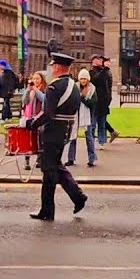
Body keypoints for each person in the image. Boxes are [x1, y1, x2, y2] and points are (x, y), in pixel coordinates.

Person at [23, 53, 88, 220]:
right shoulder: (73, 86)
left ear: (58, 68)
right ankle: (77, 196)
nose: (51, 69)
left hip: (52, 132)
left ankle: (47, 210)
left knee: (48, 171)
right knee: (56, 166)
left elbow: (48, 113)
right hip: (66, 130)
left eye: (53, 66)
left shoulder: (54, 87)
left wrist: (31, 124)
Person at [67, 68, 98, 167]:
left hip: (87, 116)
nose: (83, 81)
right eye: (81, 79)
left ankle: (91, 158)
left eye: (85, 79)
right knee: (72, 137)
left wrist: (82, 98)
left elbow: (92, 103)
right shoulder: (74, 87)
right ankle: (71, 158)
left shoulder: (92, 89)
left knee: (89, 137)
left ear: (88, 79)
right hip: (75, 114)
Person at [20, 72, 47, 171]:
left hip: (39, 117)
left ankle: (39, 159)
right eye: (34, 79)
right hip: (29, 116)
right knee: (28, 139)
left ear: (42, 80)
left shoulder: (45, 90)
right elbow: (25, 101)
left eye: (37, 79)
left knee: (40, 138)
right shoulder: (30, 90)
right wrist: (28, 90)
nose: (35, 81)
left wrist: (35, 90)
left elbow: (44, 99)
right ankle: (27, 161)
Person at [89, 55, 113, 146]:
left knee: (102, 123)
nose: (100, 61)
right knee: (93, 123)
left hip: (103, 101)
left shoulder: (105, 72)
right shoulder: (91, 72)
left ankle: (102, 141)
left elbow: (108, 85)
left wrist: (109, 97)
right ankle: (91, 140)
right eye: (98, 60)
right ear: (94, 61)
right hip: (95, 101)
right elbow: (96, 80)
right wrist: (105, 69)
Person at [104, 57, 121, 141]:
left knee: (99, 118)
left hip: (105, 98)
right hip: (107, 97)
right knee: (101, 118)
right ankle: (111, 132)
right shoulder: (107, 72)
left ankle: (107, 134)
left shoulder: (106, 72)